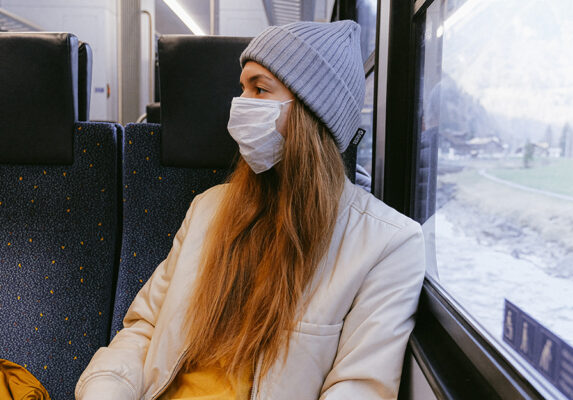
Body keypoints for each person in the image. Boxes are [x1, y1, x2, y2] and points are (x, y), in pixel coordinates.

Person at [75, 20, 426, 400]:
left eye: (259, 89)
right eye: (242, 89)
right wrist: (106, 390)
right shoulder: (209, 209)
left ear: (312, 115)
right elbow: (144, 328)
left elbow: (358, 389)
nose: (240, 105)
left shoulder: (388, 245)